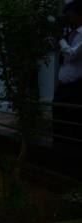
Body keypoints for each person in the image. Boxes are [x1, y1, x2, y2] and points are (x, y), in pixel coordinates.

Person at [53, 0, 82, 147]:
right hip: (64, 87)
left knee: (73, 124)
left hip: (76, 89)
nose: (68, 20)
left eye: (70, 16)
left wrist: (60, 39)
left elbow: (71, 55)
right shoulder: (70, 33)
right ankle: (59, 150)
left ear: (80, 15)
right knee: (59, 122)